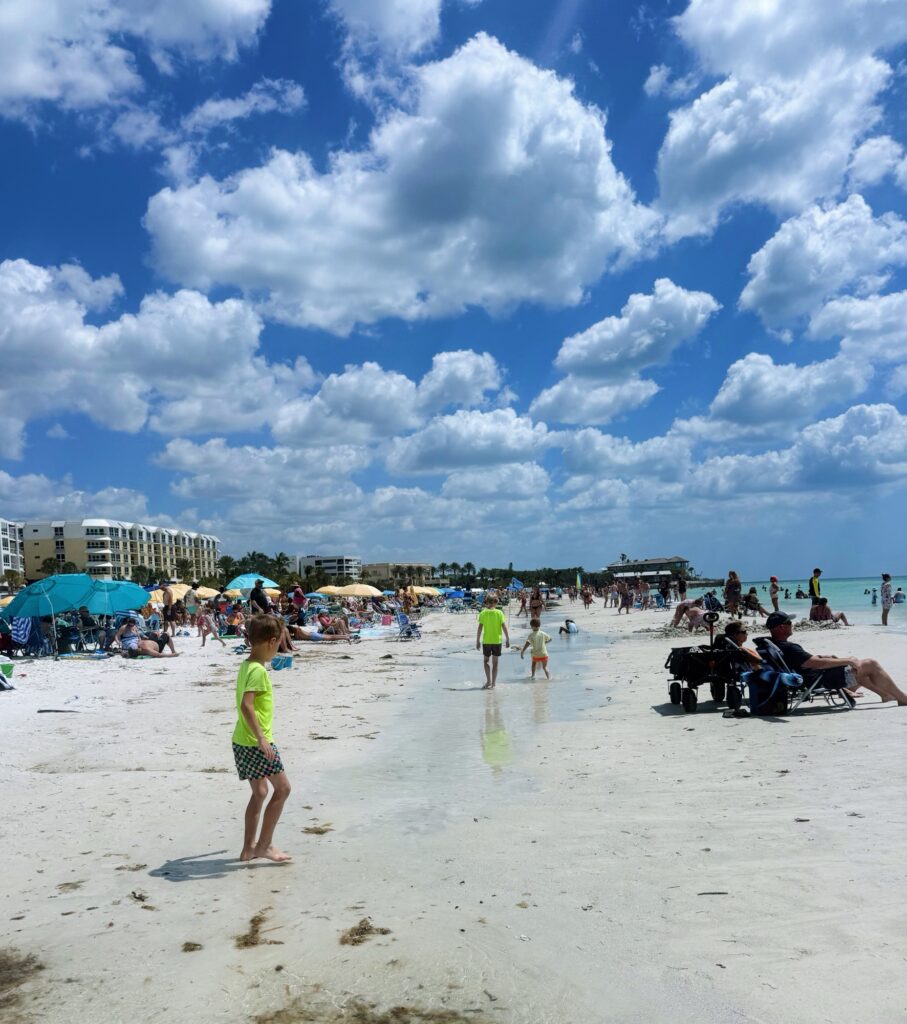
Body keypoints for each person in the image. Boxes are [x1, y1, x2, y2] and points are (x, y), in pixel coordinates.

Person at [232, 614, 292, 863]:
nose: (279, 649)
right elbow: (247, 706)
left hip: (241, 740)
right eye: (279, 644)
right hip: (257, 741)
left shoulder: (247, 665)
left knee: (259, 792)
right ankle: (264, 846)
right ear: (271, 641)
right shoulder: (258, 671)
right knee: (283, 789)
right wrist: (262, 739)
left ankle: (248, 849)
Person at [765, 612, 907, 706]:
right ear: (782, 627)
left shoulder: (775, 645)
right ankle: (902, 699)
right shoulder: (789, 648)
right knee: (870, 664)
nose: (792, 624)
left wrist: (830, 658)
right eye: (789, 623)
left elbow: (809, 661)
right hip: (820, 679)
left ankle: (885, 695)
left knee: (856, 663)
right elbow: (817, 664)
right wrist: (847, 661)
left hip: (812, 677)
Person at [476, 594, 510, 690]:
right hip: (497, 641)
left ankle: (488, 681)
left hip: (486, 641)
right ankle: (494, 684)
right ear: (496, 602)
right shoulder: (499, 613)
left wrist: (477, 641)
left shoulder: (483, 613)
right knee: (495, 663)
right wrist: (507, 639)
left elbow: (479, 628)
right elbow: (504, 626)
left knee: (486, 661)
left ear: (487, 602)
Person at [114, 618, 179, 658]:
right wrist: (172, 655)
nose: (130, 626)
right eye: (129, 625)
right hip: (156, 646)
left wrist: (140, 639)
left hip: (148, 642)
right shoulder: (145, 649)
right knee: (166, 634)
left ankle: (173, 651)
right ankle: (174, 652)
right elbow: (159, 655)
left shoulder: (135, 628)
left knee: (156, 633)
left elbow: (138, 636)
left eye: (132, 625)